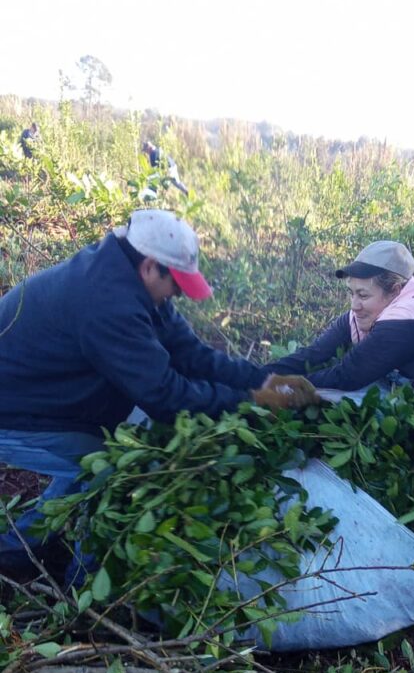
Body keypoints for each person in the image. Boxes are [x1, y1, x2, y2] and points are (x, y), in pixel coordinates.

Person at [0, 209, 319, 573]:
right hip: (13, 410)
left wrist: (261, 379)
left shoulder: (131, 276)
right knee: (107, 472)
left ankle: (24, 546)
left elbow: (190, 353)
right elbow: (164, 396)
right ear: (151, 267)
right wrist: (250, 402)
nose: (178, 294)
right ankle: (81, 582)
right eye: (177, 284)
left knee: (97, 454)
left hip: (49, 391)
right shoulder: (106, 303)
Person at [268, 241, 414, 390]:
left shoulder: (407, 316)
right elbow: (314, 353)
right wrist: (259, 377)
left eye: (363, 295)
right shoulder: (363, 312)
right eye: (352, 293)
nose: (354, 306)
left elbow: (347, 375)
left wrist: (280, 388)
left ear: (395, 291)